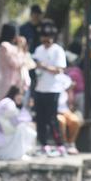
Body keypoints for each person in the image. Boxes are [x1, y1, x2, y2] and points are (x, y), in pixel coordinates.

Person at [31, 20, 66, 156]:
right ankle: (43, 144)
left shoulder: (58, 50)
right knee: (40, 118)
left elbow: (60, 69)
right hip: (40, 88)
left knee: (52, 118)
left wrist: (44, 66)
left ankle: (59, 144)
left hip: (53, 88)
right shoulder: (39, 50)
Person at [0, 85, 36, 161]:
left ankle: (17, 154)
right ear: (13, 94)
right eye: (18, 94)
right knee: (22, 128)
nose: (21, 97)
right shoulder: (9, 103)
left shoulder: (6, 101)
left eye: (22, 95)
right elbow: (18, 119)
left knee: (26, 129)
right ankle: (18, 155)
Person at [0, 23, 28, 103]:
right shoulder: (5, 46)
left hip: (15, 83)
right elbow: (15, 63)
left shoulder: (14, 47)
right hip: (6, 82)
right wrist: (20, 48)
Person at [56, 73, 82, 154]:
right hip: (55, 111)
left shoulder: (66, 80)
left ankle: (71, 143)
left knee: (75, 120)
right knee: (61, 121)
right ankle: (64, 144)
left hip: (66, 110)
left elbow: (70, 102)